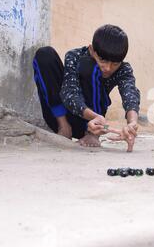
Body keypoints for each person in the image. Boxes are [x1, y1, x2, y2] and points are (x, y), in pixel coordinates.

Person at [32, 24, 140, 152]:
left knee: (93, 68)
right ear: (91, 50)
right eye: (103, 60)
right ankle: (64, 127)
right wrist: (63, 124)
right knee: (45, 54)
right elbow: (70, 93)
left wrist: (132, 123)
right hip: (60, 116)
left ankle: (92, 135)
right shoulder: (74, 56)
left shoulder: (124, 69)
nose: (108, 68)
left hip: (93, 124)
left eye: (115, 64)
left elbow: (130, 93)